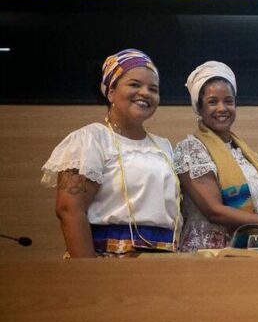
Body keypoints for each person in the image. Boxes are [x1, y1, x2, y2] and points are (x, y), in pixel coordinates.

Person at [41, 49, 180, 257]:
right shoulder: (90, 139)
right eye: (134, 84)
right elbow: (69, 210)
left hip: (163, 262)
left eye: (153, 89)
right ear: (111, 90)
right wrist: (91, 275)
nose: (145, 93)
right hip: (109, 263)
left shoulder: (164, 146)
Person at [173, 61, 258, 251]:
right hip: (208, 253)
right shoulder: (191, 150)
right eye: (212, 102)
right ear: (199, 108)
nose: (222, 108)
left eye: (228, 101)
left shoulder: (248, 155)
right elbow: (214, 212)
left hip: (249, 252)